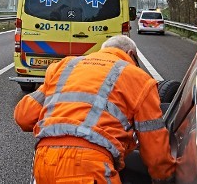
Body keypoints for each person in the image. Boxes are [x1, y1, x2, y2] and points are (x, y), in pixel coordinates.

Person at [14, 35, 176, 184]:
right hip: (90, 166)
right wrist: (165, 175)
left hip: (44, 161)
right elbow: (153, 144)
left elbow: (23, 117)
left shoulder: (65, 67)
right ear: (130, 53)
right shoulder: (139, 78)